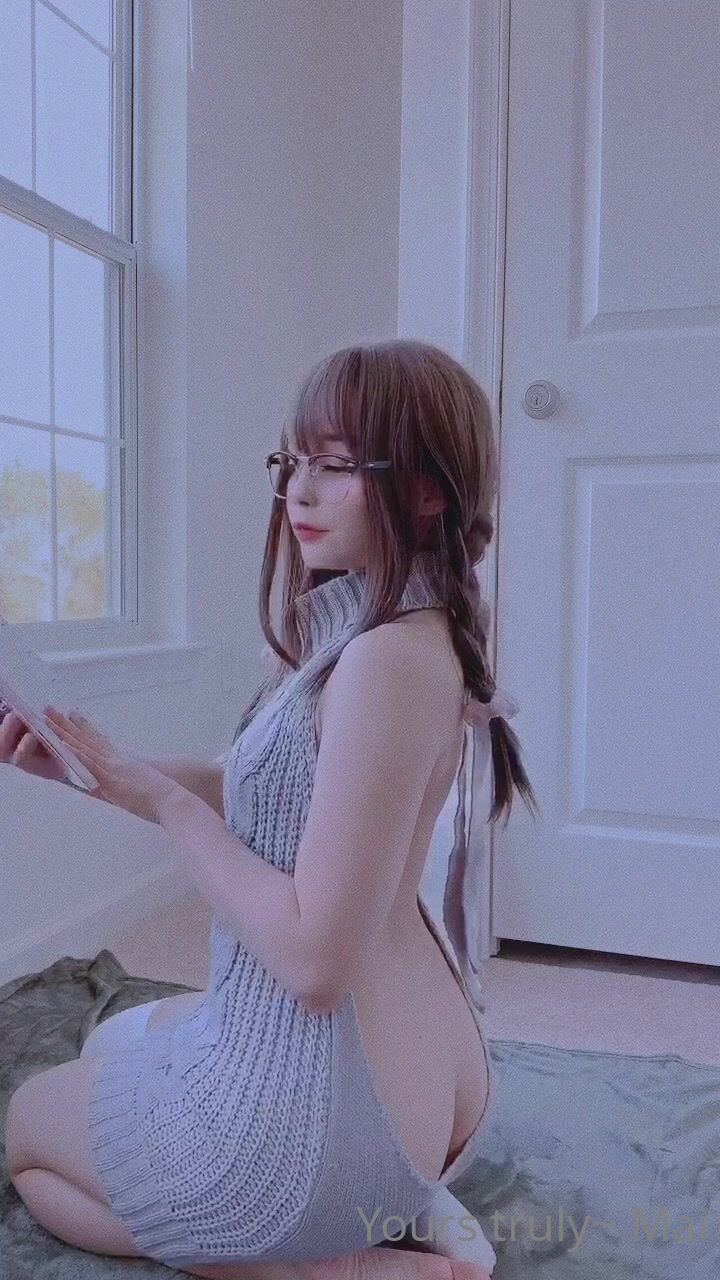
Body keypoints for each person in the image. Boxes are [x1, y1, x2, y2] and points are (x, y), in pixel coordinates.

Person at [3, 338, 539, 1279]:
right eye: (293, 460)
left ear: (426, 491)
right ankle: (384, 1212)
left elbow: (312, 964)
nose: (298, 490)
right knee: (125, 1033)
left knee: (28, 1134)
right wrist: (99, 768)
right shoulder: (398, 637)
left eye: (336, 465)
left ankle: (330, 1264)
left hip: (340, 1131)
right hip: (421, 1087)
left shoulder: (381, 662)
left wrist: (167, 806)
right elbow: (270, 792)